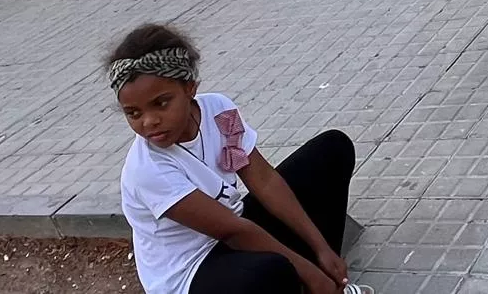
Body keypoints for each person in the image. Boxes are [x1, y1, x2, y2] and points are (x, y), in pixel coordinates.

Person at [110, 23, 372, 294]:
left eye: (161, 103)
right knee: (269, 271)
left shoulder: (219, 111)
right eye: (134, 113)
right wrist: (308, 273)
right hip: (192, 272)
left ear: (189, 88)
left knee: (331, 150)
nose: (149, 122)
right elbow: (233, 232)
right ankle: (316, 285)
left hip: (233, 229)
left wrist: (321, 248)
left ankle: (329, 282)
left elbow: (264, 180)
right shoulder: (148, 170)